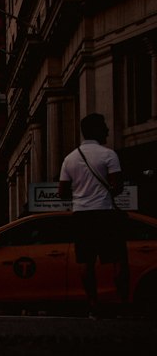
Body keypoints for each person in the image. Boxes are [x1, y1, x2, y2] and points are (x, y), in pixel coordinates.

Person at [57, 113, 127, 314]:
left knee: (85, 261)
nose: (107, 130)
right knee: (118, 259)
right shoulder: (108, 155)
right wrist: (105, 191)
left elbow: (62, 192)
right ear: (96, 130)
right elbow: (118, 186)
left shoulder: (69, 159)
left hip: (81, 215)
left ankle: (93, 304)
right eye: (104, 127)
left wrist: (81, 194)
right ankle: (121, 302)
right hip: (105, 213)